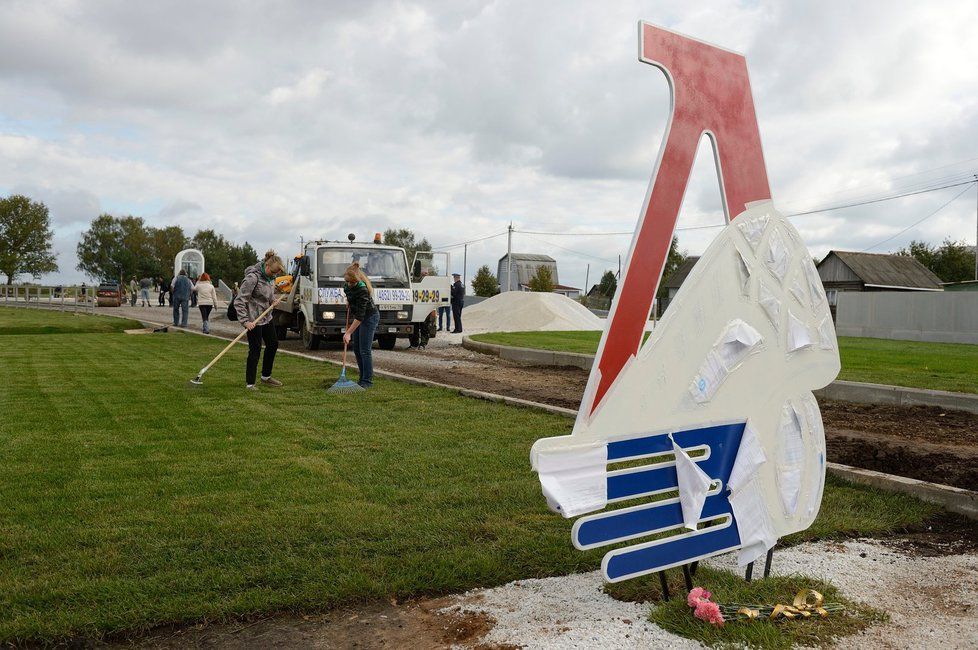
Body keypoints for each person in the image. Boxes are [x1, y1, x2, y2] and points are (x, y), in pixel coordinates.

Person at [233, 250, 286, 389]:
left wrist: (273, 300)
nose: (274, 276)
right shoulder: (252, 278)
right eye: (273, 272)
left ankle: (266, 376)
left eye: (276, 274)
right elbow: (239, 301)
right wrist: (245, 321)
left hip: (266, 317)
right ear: (267, 266)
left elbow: (268, 294)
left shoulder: (270, 278)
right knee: (255, 349)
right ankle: (250, 383)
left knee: (273, 344)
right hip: (252, 319)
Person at [342, 262, 379, 389]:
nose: (350, 284)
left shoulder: (363, 289)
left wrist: (348, 333)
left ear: (357, 280)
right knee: (357, 348)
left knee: (364, 350)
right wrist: (349, 302)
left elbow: (360, 317)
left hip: (369, 317)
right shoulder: (347, 286)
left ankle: (367, 381)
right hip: (359, 316)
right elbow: (350, 295)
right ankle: (362, 378)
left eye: (352, 282)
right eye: (348, 282)